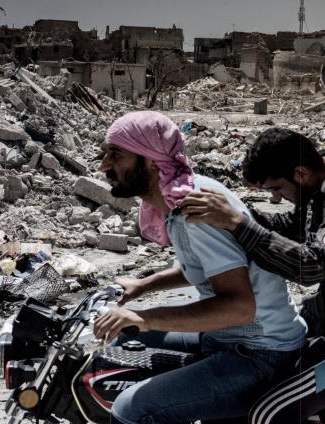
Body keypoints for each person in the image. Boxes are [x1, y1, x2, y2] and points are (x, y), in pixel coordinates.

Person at [178, 127, 325, 424]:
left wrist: (238, 224)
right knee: (239, 386)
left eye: (276, 189)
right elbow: (291, 226)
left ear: (299, 173)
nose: (276, 198)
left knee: (268, 414)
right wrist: (239, 213)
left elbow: (313, 265)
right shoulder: (319, 191)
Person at [93, 112, 306, 424]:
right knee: (124, 341)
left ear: (151, 161)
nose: (104, 165)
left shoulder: (195, 207)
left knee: (131, 409)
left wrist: (143, 317)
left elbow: (239, 308)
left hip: (261, 350)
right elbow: (207, 269)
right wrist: (145, 285)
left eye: (116, 154)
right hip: (230, 337)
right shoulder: (176, 201)